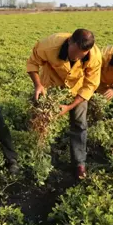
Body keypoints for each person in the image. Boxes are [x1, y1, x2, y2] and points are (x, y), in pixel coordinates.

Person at [26, 29, 102, 179]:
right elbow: (32, 63)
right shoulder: (49, 46)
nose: (76, 57)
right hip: (51, 85)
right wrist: (38, 85)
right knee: (40, 121)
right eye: (74, 53)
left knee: (79, 123)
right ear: (69, 42)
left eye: (81, 55)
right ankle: (38, 157)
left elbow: (90, 86)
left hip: (77, 89)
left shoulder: (95, 57)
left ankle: (79, 164)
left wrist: (69, 107)